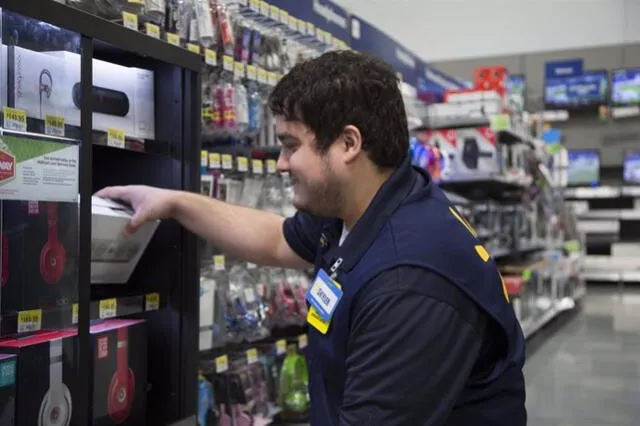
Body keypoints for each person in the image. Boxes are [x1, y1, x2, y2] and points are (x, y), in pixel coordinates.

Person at [96, 50, 527, 425]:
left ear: (348, 143)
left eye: (290, 145)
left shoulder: (409, 284)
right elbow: (275, 239)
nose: (281, 164)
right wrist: (172, 202)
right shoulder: (366, 204)